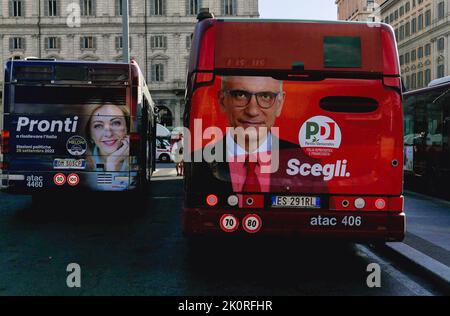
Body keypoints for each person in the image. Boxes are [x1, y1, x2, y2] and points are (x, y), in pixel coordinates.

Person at [187, 75, 319, 194]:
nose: (252, 111)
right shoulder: (199, 163)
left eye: (266, 97)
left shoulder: (306, 165)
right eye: (240, 95)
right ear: (222, 101)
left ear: (280, 103)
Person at [85, 103, 130, 172]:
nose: (109, 134)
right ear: (90, 134)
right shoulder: (82, 163)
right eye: (98, 126)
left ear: (127, 128)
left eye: (116, 123)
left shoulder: (137, 161)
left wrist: (112, 163)